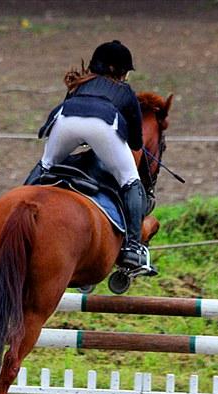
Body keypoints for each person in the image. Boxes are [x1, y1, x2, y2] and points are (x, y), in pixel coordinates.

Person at [28, 40, 150, 272]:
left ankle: (18, 206)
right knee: (130, 180)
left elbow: (76, 122)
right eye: (124, 71)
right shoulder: (124, 92)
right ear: (115, 70)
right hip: (103, 125)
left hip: (65, 119)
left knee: (46, 164)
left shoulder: (78, 85)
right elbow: (135, 142)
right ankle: (133, 248)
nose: (126, 76)